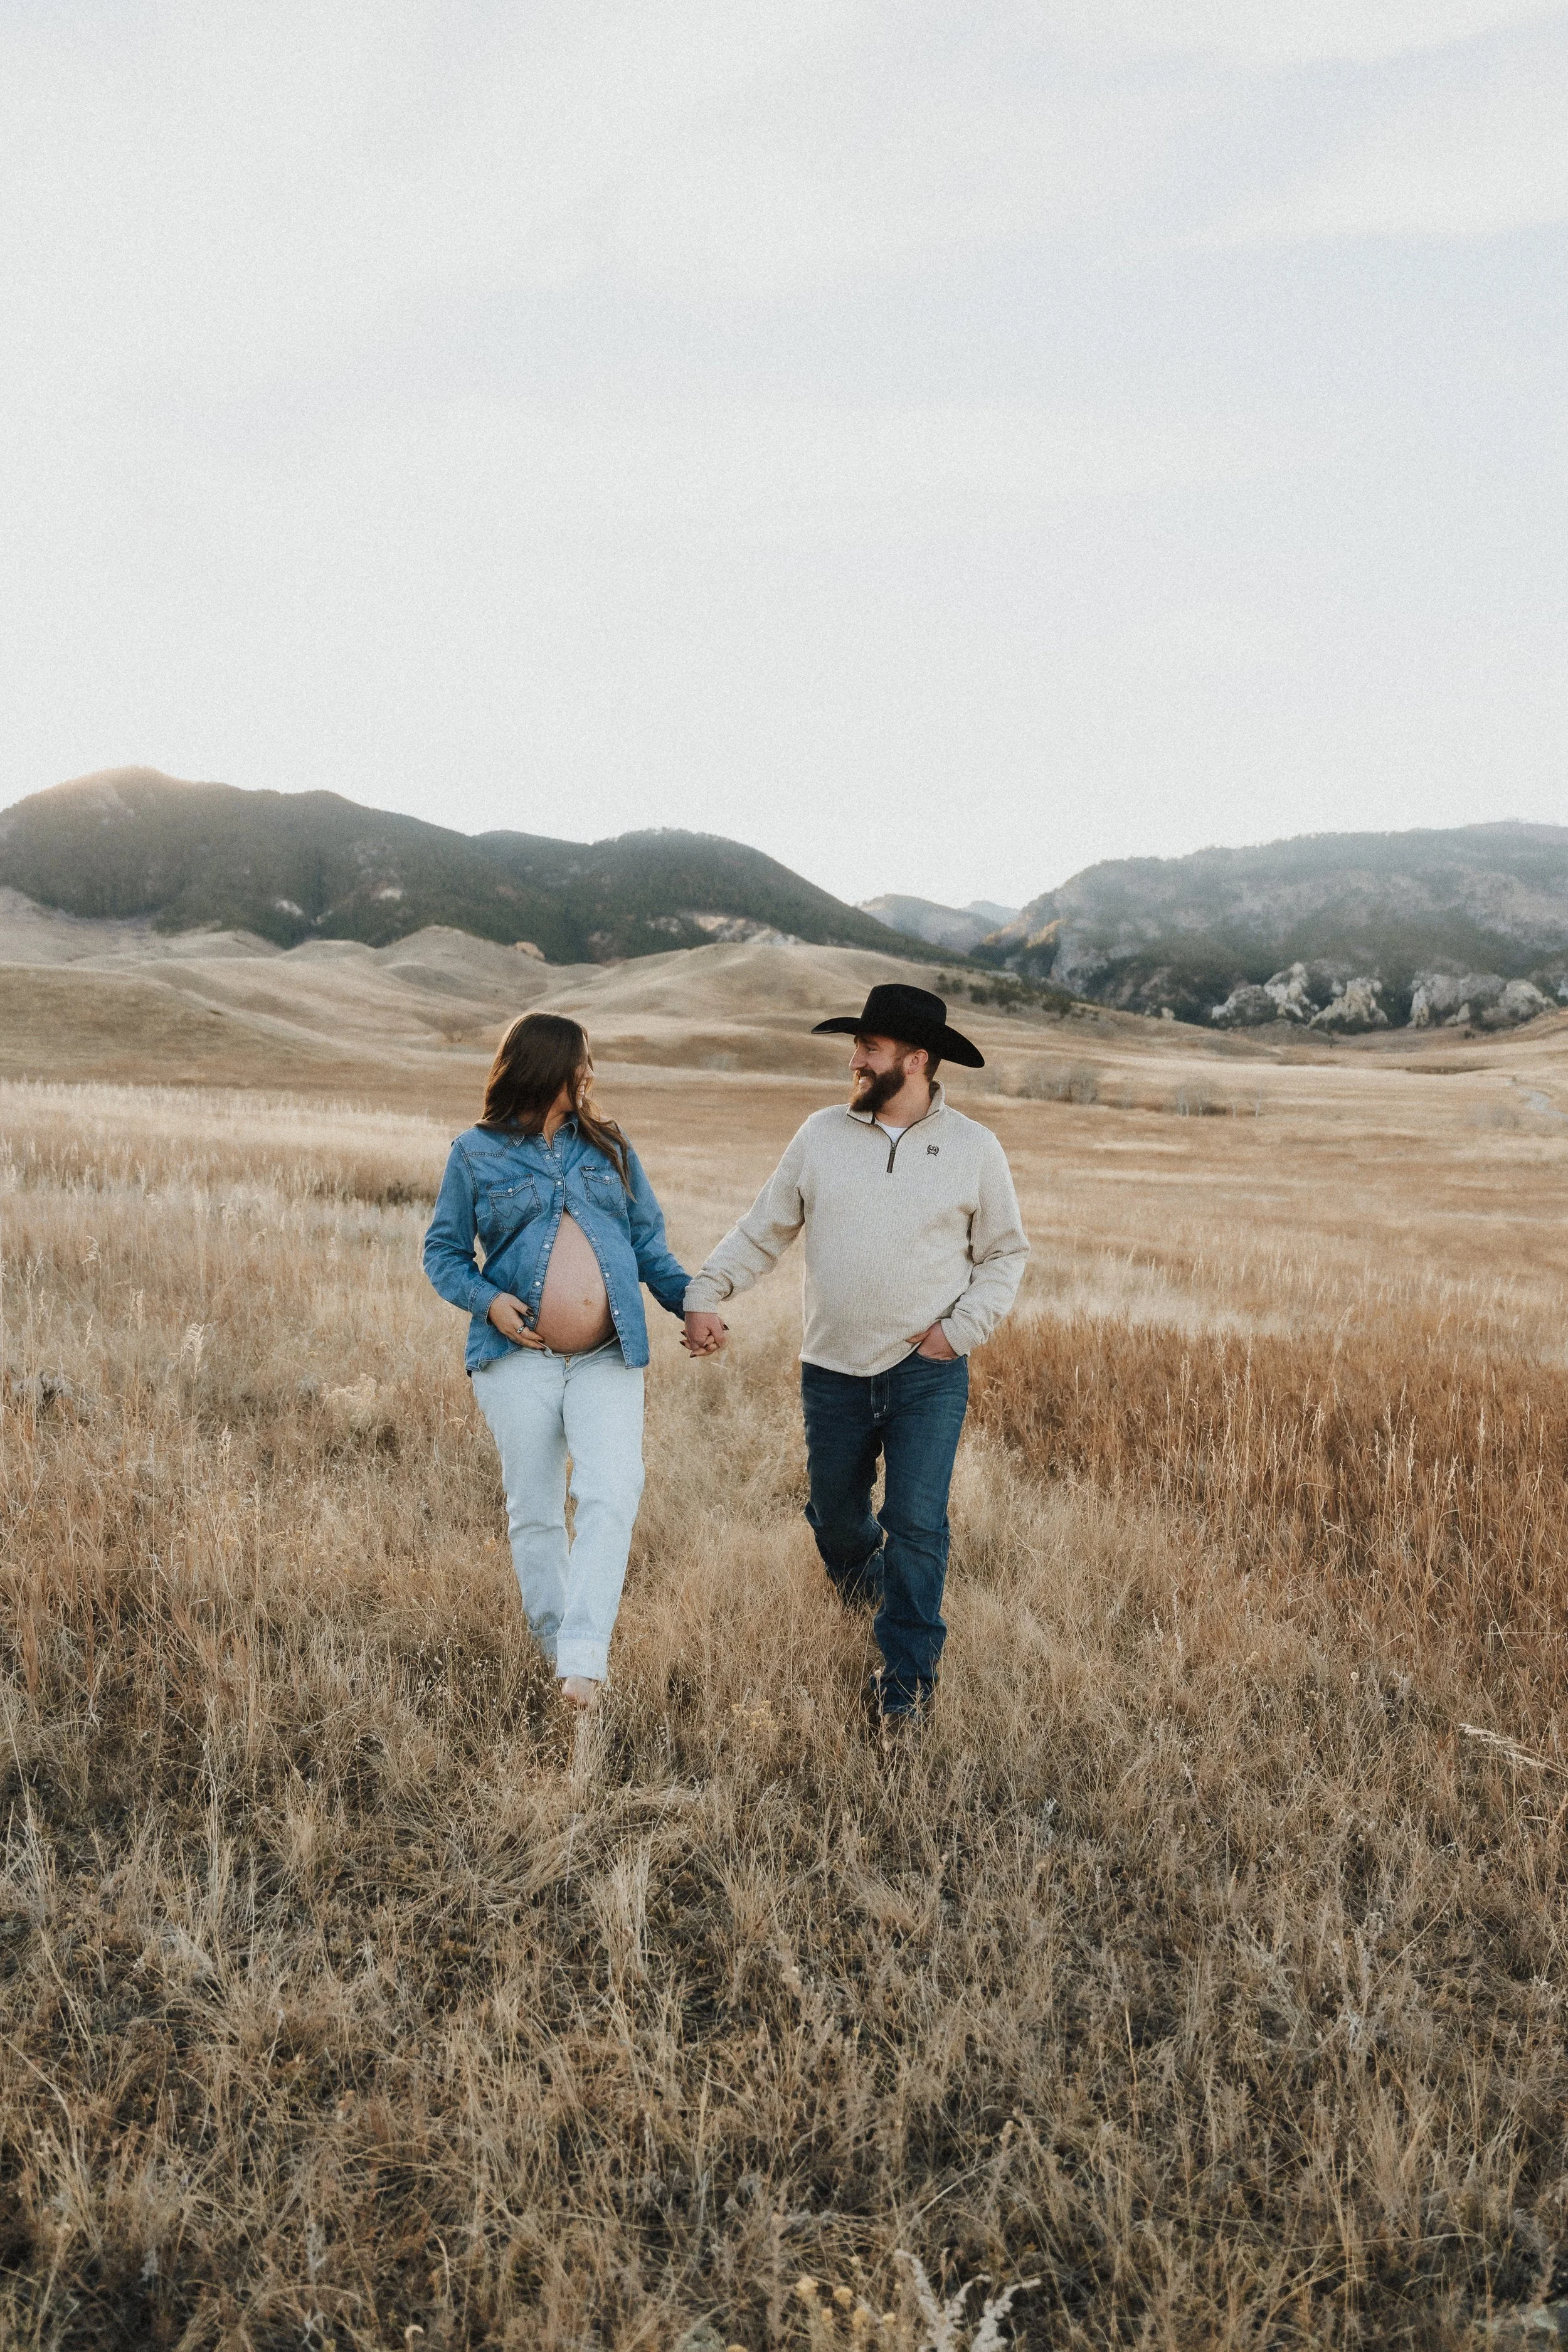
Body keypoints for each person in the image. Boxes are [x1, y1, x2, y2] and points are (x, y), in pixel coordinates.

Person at [682, 982, 1029, 1734]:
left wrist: (959, 1331)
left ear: (917, 1059)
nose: (855, 1061)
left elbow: (1005, 1253)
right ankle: (868, 1579)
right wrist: (706, 1292)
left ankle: (907, 1681)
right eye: (857, 1047)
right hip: (832, 1370)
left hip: (925, 1373)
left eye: (869, 1049)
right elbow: (763, 1228)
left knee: (916, 1521)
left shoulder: (973, 1148)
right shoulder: (819, 1135)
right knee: (837, 1519)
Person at [422, 1012, 691, 1714]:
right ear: (548, 1068)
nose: (590, 1072)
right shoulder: (474, 1155)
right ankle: (555, 1656)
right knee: (535, 1509)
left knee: (611, 1490)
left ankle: (583, 1663)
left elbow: (650, 1248)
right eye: (582, 1061)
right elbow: (443, 1253)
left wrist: (690, 1305)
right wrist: (488, 1302)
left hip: (608, 1355)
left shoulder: (610, 1148)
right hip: (518, 1358)